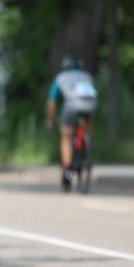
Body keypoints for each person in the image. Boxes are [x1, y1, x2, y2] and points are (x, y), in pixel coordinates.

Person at [47, 56, 98, 190]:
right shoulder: (87, 76)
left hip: (72, 104)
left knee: (66, 136)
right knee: (86, 128)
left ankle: (68, 169)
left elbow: (52, 101)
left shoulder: (61, 78)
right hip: (91, 104)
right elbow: (94, 94)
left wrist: (52, 120)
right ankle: (87, 141)